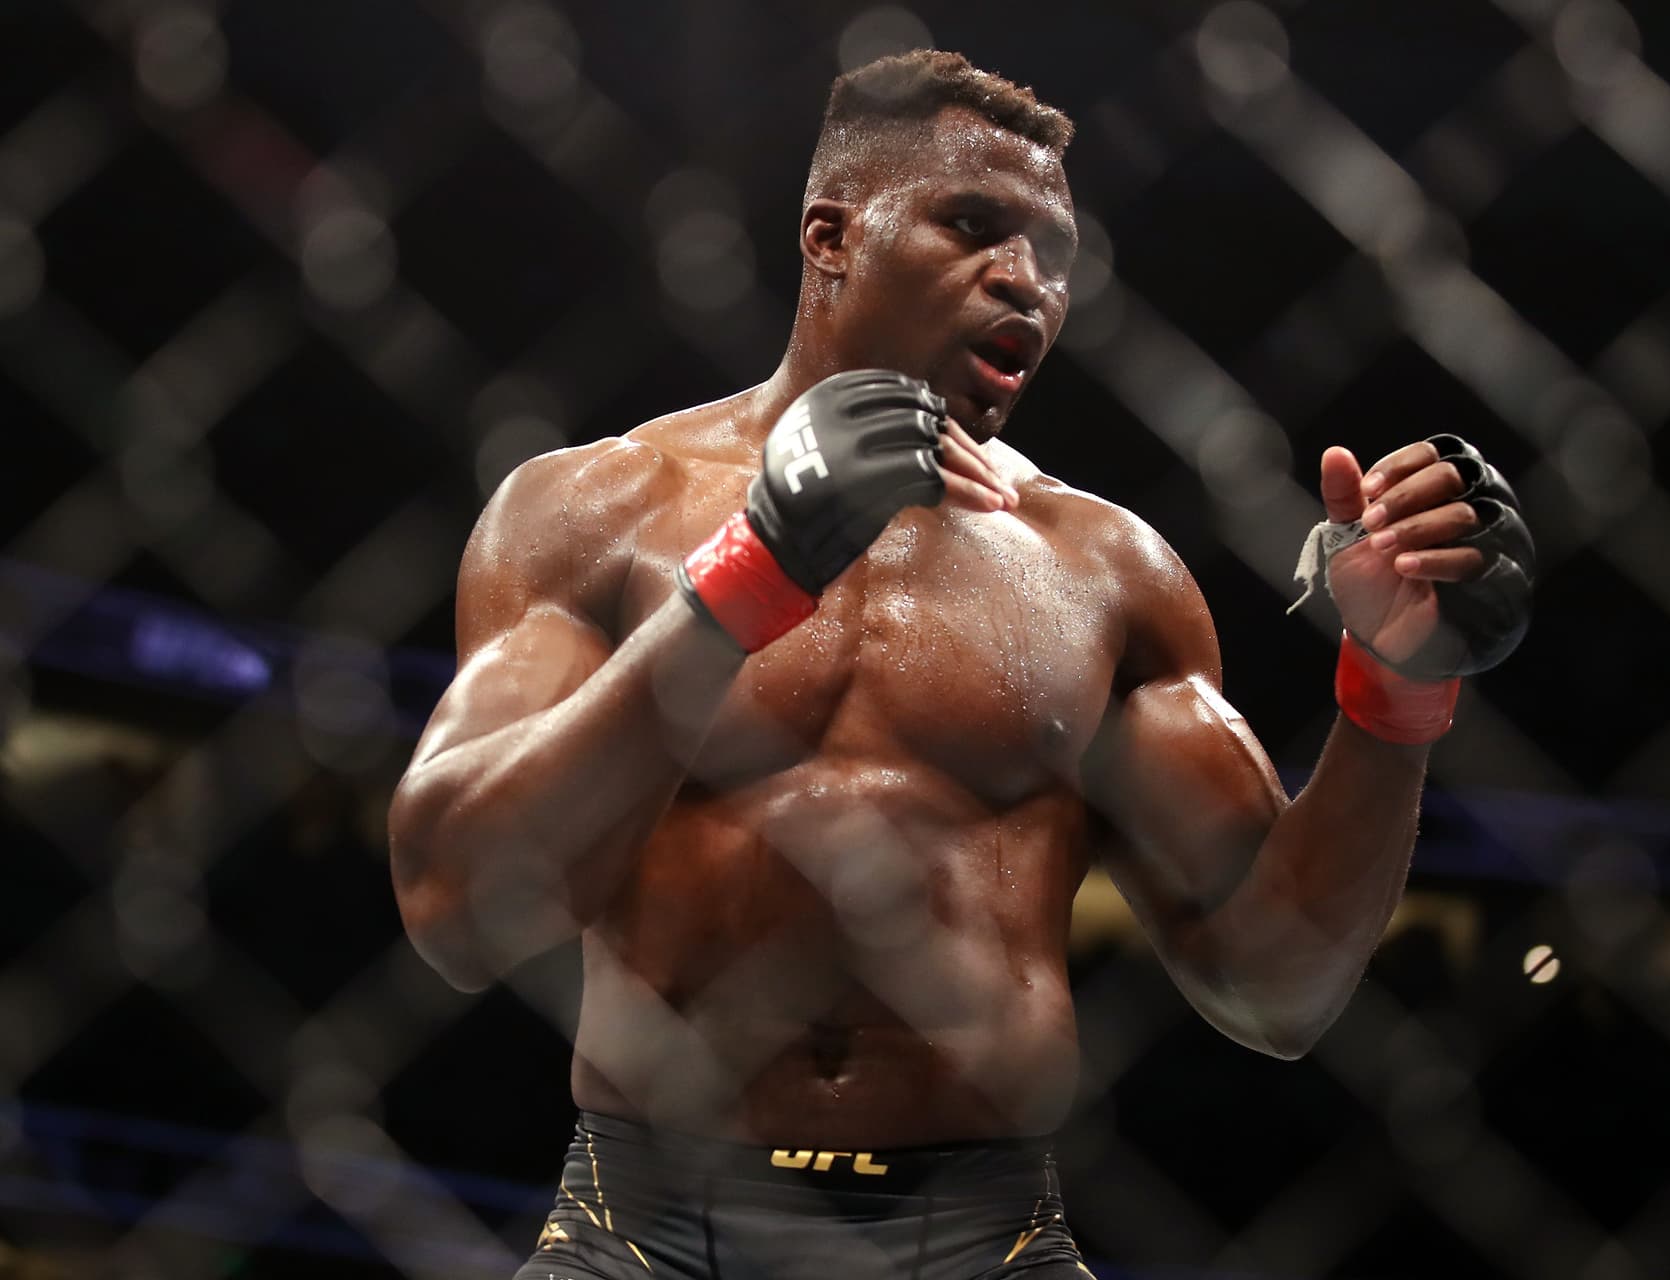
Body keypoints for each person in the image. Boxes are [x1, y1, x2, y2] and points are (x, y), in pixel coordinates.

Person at [387, 50, 1533, 1280]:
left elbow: (1277, 989)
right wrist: (744, 583)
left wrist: (1395, 690)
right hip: (643, 1230)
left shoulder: (1107, 572)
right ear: (830, 236)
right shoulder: (590, 509)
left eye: (1056, 254)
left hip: (981, 1240)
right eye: (973, 224)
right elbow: (457, 904)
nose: (1025, 281)